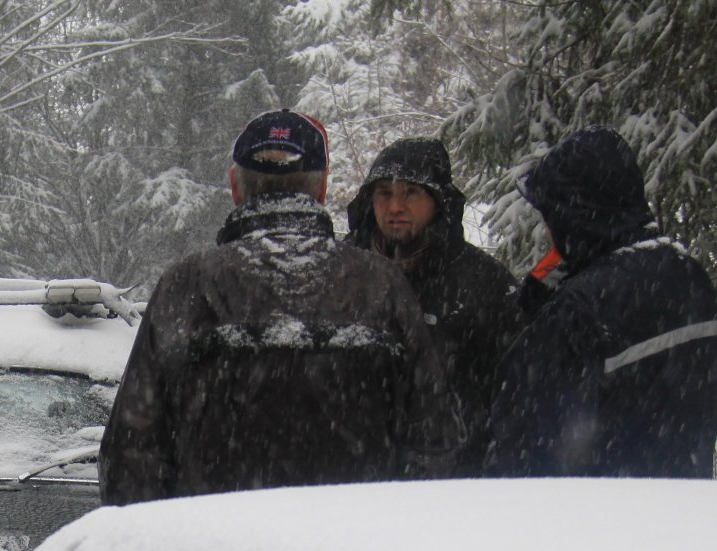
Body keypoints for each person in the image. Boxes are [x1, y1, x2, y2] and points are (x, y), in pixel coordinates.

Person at [99, 109, 453, 504]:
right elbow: (434, 440)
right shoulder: (380, 285)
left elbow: (131, 452)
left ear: (236, 186)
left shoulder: (187, 286)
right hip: (352, 535)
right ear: (321, 189)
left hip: (214, 537)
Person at [486, 125, 717, 478]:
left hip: (594, 505)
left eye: (551, 216)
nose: (547, 230)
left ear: (575, 212)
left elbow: (521, 432)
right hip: (679, 498)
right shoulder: (690, 275)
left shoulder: (580, 308)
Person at [347, 137, 522, 474]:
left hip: (454, 482)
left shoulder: (483, 283)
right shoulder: (343, 273)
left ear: (438, 201)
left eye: (411, 192)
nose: (395, 207)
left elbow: (514, 396)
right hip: (354, 480)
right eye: (384, 193)